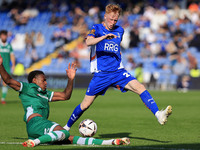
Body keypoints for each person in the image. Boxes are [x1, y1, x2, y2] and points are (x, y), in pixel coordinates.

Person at [63, 4, 172, 131]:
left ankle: (158, 114)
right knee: (85, 104)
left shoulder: (120, 30)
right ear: (105, 16)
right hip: (101, 74)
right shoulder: (96, 28)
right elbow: (88, 42)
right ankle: (66, 127)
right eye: (110, 19)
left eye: (115, 20)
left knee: (140, 87)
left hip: (118, 72)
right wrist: (104, 37)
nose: (112, 22)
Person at [0, 55, 130, 147]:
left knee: (70, 138)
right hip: (36, 122)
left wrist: (71, 79)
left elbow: (65, 96)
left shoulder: (46, 94)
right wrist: (0, 65)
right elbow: (9, 81)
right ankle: (35, 142)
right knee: (63, 132)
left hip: (35, 128)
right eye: (43, 80)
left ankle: (111, 142)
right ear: (34, 80)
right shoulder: (28, 88)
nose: (46, 82)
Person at [0, 30, 15, 104]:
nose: (4, 37)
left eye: (5, 35)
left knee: (5, 83)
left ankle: (2, 99)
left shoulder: (9, 45)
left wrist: (13, 65)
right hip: (0, 67)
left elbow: (12, 56)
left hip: (6, 67)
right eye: (3, 35)